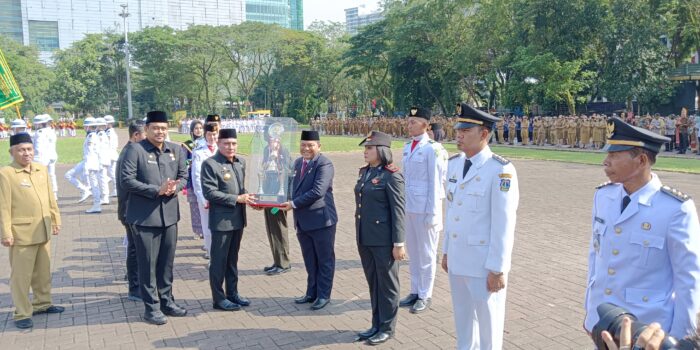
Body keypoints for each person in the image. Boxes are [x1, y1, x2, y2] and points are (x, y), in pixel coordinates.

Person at [584, 117, 700, 340]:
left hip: (647, 328)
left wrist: (680, 338)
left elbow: (688, 280)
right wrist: (591, 311)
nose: (606, 162)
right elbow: (595, 257)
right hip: (603, 320)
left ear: (642, 160)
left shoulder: (675, 209)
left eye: (614, 156)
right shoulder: (603, 196)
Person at [441, 103, 519, 350]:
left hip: (483, 263)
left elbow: (504, 222)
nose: (459, 134)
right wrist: (446, 251)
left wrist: (497, 268)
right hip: (458, 258)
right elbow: (452, 211)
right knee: (463, 321)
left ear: (484, 134)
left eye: (465, 130)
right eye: (458, 129)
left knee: (488, 325)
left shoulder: (500, 171)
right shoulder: (454, 164)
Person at [120, 111, 189, 325]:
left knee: (166, 263)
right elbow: (126, 180)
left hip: (169, 217)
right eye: (155, 128)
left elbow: (183, 176)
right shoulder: (135, 150)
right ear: (147, 129)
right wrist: (155, 190)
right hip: (144, 218)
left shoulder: (175, 150)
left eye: (163, 128)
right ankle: (151, 307)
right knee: (147, 264)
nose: (160, 132)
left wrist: (174, 188)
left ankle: (167, 301)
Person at [0, 133, 63, 329]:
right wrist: (6, 233)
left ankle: (42, 303)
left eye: (29, 149)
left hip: (42, 228)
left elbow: (50, 197)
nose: (26, 153)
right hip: (21, 233)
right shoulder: (6, 173)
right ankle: (22, 313)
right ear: (12, 152)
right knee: (21, 276)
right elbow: (3, 206)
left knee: (43, 272)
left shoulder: (41, 169)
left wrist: (55, 218)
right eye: (21, 150)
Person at [354, 131, 406, 345]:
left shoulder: (391, 175)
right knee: (374, 282)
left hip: (384, 240)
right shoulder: (366, 172)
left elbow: (398, 211)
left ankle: (387, 328)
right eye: (365, 148)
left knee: (388, 285)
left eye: (370, 148)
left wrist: (399, 243)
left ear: (382, 150)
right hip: (365, 237)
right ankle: (376, 324)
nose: (365, 152)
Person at [281, 130, 337, 311]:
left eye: (310, 145)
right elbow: (292, 187)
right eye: (303, 144)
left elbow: (317, 192)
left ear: (319, 146)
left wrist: (293, 203)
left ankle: (323, 295)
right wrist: (275, 199)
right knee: (310, 259)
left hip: (321, 220)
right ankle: (311, 292)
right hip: (303, 221)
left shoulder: (324, 164)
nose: (306, 148)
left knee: (324, 260)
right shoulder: (298, 163)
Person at [399, 106, 448, 314]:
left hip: (426, 209)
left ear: (426, 125)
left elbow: (437, 184)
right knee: (414, 253)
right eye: (409, 121)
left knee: (427, 254)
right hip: (409, 207)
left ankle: (425, 294)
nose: (409, 125)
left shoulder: (434, 149)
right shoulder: (407, 146)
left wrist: (434, 214)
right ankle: (414, 290)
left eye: (414, 121)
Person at [200, 128, 254, 311]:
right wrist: (237, 199)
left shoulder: (240, 162)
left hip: (238, 219)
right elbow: (210, 192)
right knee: (218, 261)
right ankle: (218, 298)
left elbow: (241, 189)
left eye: (234, 143)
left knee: (232, 259)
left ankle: (233, 293)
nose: (231, 147)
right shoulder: (210, 164)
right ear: (219, 144)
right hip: (221, 221)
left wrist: (250, 197)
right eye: (226, 144)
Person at [116, 122, 146, 302]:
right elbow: (129, 183)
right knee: (135, 249)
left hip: (133, 209)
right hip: (130, 209)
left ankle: (137, 284)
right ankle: (135, 288)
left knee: (136, 248)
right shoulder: (130, 153)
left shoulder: (132, 151)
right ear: (136, 136)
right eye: (145, 135)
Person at [261, 132, 293, 276]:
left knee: (279, 227)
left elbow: (290, 171)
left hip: (279, 196)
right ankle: (277, 260)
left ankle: (284, 263)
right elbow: (262, 168)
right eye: (271, 138)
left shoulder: (284, 151)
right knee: (271, 227)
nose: (273, 141)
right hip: (268, 194)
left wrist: (277, 158)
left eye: (276, 138)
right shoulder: (265, 150)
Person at [192, 124, 219, 259]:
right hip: (206, 195)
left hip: (220, 195)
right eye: (209, 134)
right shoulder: (198, 152)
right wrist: (202, 198)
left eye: (215, 134)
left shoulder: (222, 149)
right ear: (205, 135)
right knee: (207, 228)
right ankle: (210, 254)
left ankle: (219, 255)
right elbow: (196, 177)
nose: (212, 137)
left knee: (219, 227)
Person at [182, 120, 205, 239]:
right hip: (192, 178)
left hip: (205, 177)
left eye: (201, 128)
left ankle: (206, 229)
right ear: (192, 130)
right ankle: (197, 230)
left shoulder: (206, 143)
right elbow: (183, 161)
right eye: (196, 128)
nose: (199, 130)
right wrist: (193, 163)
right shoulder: (187, 144)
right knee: (194, 205)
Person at [84, 117, 103, 213]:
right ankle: (97, 204)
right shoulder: (93, 135)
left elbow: (90, 152)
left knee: (94, 185)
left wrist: (87, 165)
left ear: (88, 126)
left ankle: (97, 204)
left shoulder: (91, 136)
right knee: (95, 184)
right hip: (95, 163)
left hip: (92, 163)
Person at [104, 115, 119, 197]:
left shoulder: (109, 132)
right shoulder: (109, 131)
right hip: (112, 154)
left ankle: (115, 189)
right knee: (112, 173)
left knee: (111, 173)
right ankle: (115, 189)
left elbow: (108, 144)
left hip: (110, 154)